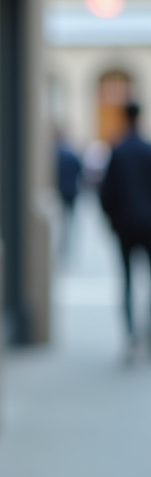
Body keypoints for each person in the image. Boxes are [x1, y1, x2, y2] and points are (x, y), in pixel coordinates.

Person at [99, 101, 151, 360]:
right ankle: (148, 333)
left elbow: (106, 192)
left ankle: (131, 336)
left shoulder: (117, 151)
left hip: (125, 225)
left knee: (128, 280)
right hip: (149, 225)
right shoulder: (147, 150)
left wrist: (111, 220)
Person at [55, 128, 83, 258]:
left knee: (62, 217)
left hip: (60, 190)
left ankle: (62, 242)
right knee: (70, 218)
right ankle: (67, 241)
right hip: (71, 191)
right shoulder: (72, 154)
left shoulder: (56, 154)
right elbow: (80, 170)